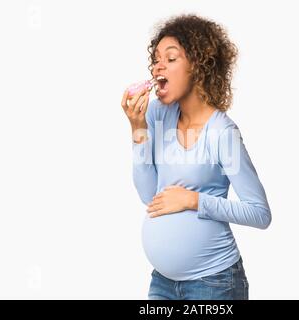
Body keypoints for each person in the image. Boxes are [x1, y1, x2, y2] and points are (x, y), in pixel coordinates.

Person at [120, 14, 271, 300]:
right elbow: (149, 195)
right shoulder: (156, 115)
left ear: (198, 67)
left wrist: (195, 200)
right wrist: (138, 129)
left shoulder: (223, 133)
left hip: (214, 283)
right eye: (155, 59)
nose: (157, 66)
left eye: (171, 58)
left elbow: (260, 213)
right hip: (163, 283)